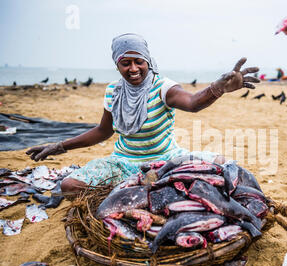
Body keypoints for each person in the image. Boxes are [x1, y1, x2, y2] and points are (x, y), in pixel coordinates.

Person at [25, 33, 260, 196]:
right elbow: (103, 131)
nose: (133, 69)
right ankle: (127, 190)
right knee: (69, 185)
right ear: (117, 65)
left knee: (226, 166)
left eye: (139, 61)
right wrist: (60, 146)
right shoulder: (113, 92)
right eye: (125, 63)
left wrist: (217, 88)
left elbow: (192, 103)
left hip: (167, 162)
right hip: (123, 163)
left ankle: (134, 190)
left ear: (148, 60)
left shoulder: (163, 87)